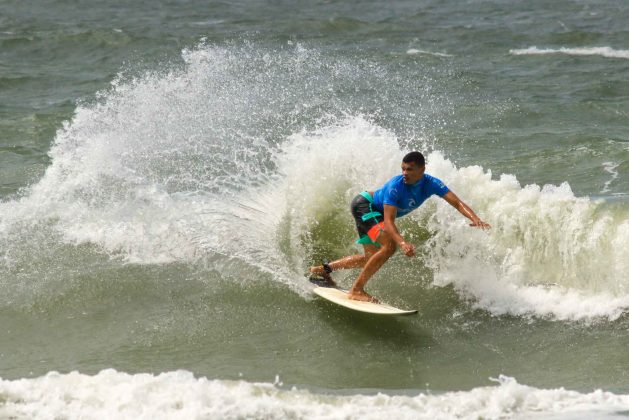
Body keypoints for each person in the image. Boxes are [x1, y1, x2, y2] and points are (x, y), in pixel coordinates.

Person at [309, 151, 490, 303]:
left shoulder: (432, 183)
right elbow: (388, 221)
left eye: (409, 169)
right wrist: (402, 243)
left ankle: (322, 270)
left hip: (373, 211)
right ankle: (356, 290)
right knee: (389, 246)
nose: (405, 172)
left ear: (422, 169)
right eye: (403, 168)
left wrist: (476, 218)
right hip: (365, 205)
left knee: (370, 258)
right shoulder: (396, 186)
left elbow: (457, 203)